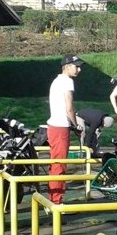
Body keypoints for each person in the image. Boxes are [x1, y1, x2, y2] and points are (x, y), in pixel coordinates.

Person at [46, 54, 84, 205]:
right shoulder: (67, 81)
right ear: (67, 67)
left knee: (55, 163)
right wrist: (77, 126)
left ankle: (53, 199)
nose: (79, 69)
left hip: (54, 126)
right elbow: (69, 108)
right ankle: (56, 201)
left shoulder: (57, 81)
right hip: (60, 127)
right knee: (59, 165)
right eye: (76, 66)